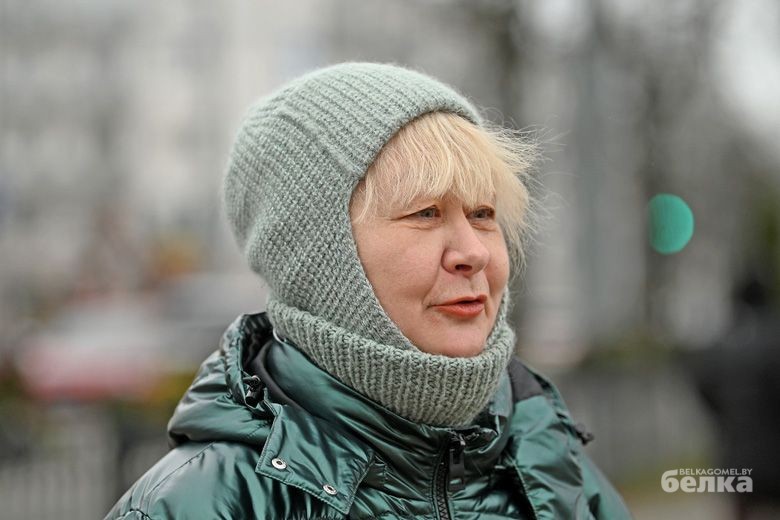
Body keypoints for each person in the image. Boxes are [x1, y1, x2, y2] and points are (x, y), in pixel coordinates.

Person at [105, 62, 630, 519]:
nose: (474, 252)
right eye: (426, 213)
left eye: (483, 213)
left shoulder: (552, 468)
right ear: (317, 256)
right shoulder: (200, 504)